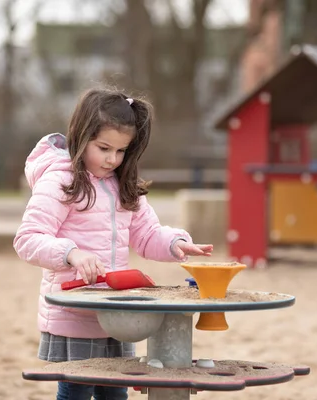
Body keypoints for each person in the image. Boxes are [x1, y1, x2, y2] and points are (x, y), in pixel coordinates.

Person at [13, 87, 213, 400]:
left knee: (116, 392)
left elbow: (147, 235)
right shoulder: (62, 180)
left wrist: (175, 243)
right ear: (81, 137)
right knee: (77, 390)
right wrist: (72, 254)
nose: (112, 159)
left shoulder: (123, 183)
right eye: (104, 148)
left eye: (121, 151)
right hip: (75, 313)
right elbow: (27, 239)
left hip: (117, 314)